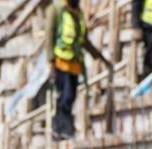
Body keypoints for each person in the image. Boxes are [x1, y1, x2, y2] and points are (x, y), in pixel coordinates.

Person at [45, 0, 113, 140]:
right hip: (60, 63)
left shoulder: (78, 13)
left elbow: (84, 41)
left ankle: (62, 130)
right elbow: (49, 38)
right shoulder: (56, 10)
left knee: (70, 97)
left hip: (75, 65)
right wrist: (51, 62)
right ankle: (62, 130)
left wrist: (101, 58)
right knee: (64, 97)